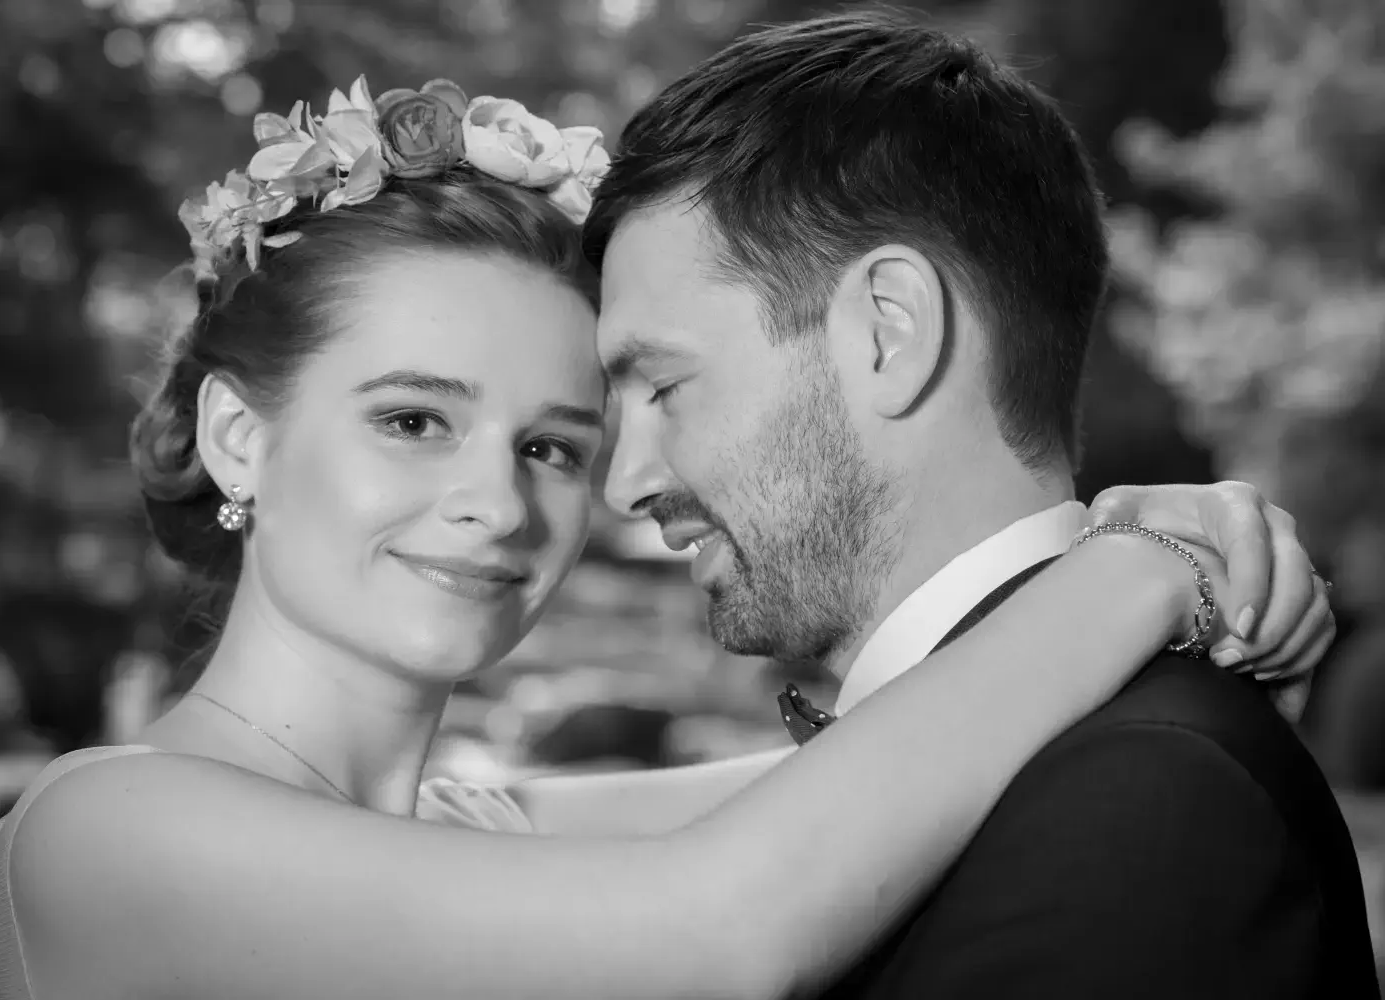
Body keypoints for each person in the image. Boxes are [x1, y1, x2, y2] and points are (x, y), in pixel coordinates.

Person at [0, 75, 1335, 1000]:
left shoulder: (483, 828)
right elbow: (725, 926)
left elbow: (897, 755)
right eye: (414, 420)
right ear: (239, 438)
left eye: (555, 444)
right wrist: (1141, 573)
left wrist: (1142, 543)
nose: (503, 504)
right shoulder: (102, 831)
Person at [574, 9, 1378, 998]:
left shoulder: (1142, 802)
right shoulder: (1066, 768)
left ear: (889, 332)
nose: (626, 480)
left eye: (663, 386)